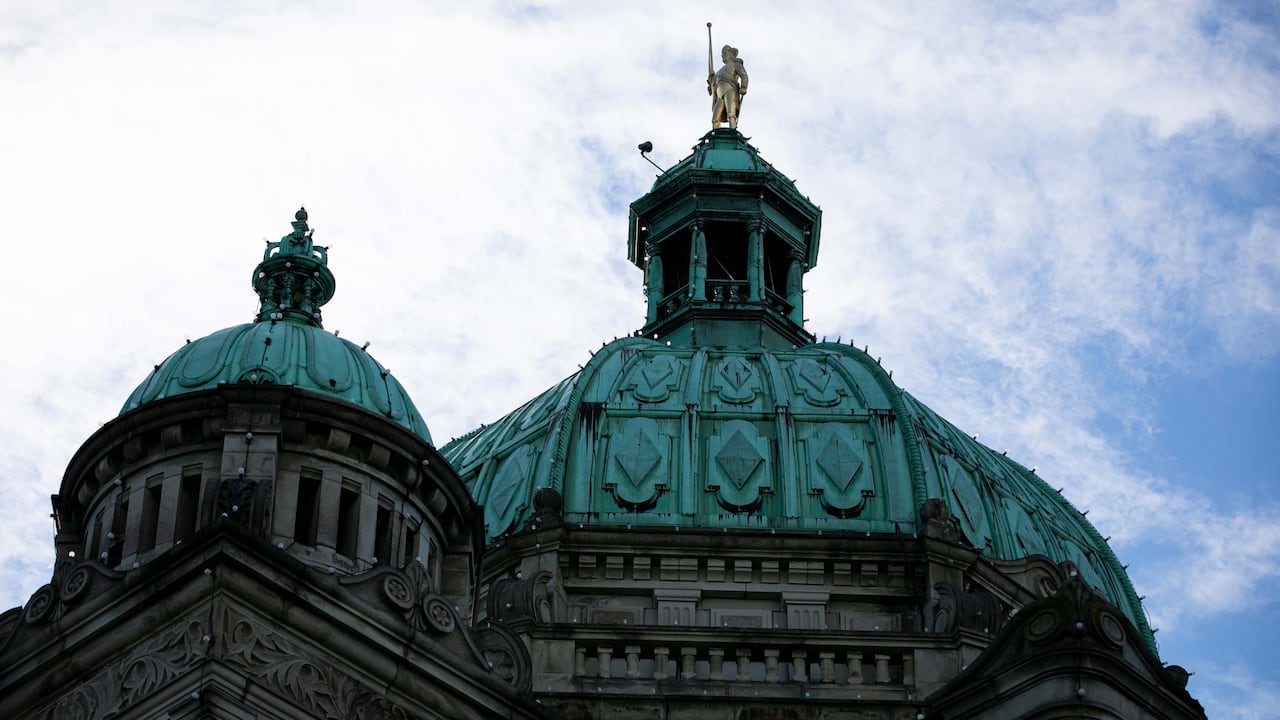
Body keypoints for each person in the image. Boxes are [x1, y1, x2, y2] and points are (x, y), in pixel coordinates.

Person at [708, 45, 748, 129]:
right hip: (719, 94)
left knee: (731, 111)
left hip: (730, 88)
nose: (722, 56)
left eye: (724, 54)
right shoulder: (719, 72)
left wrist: (744, 87)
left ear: (729, 54)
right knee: (716, 116)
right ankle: (716, 130)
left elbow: (744, 76)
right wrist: (712, 79)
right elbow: (712, 88)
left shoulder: (735, 64)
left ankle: (732, 128)